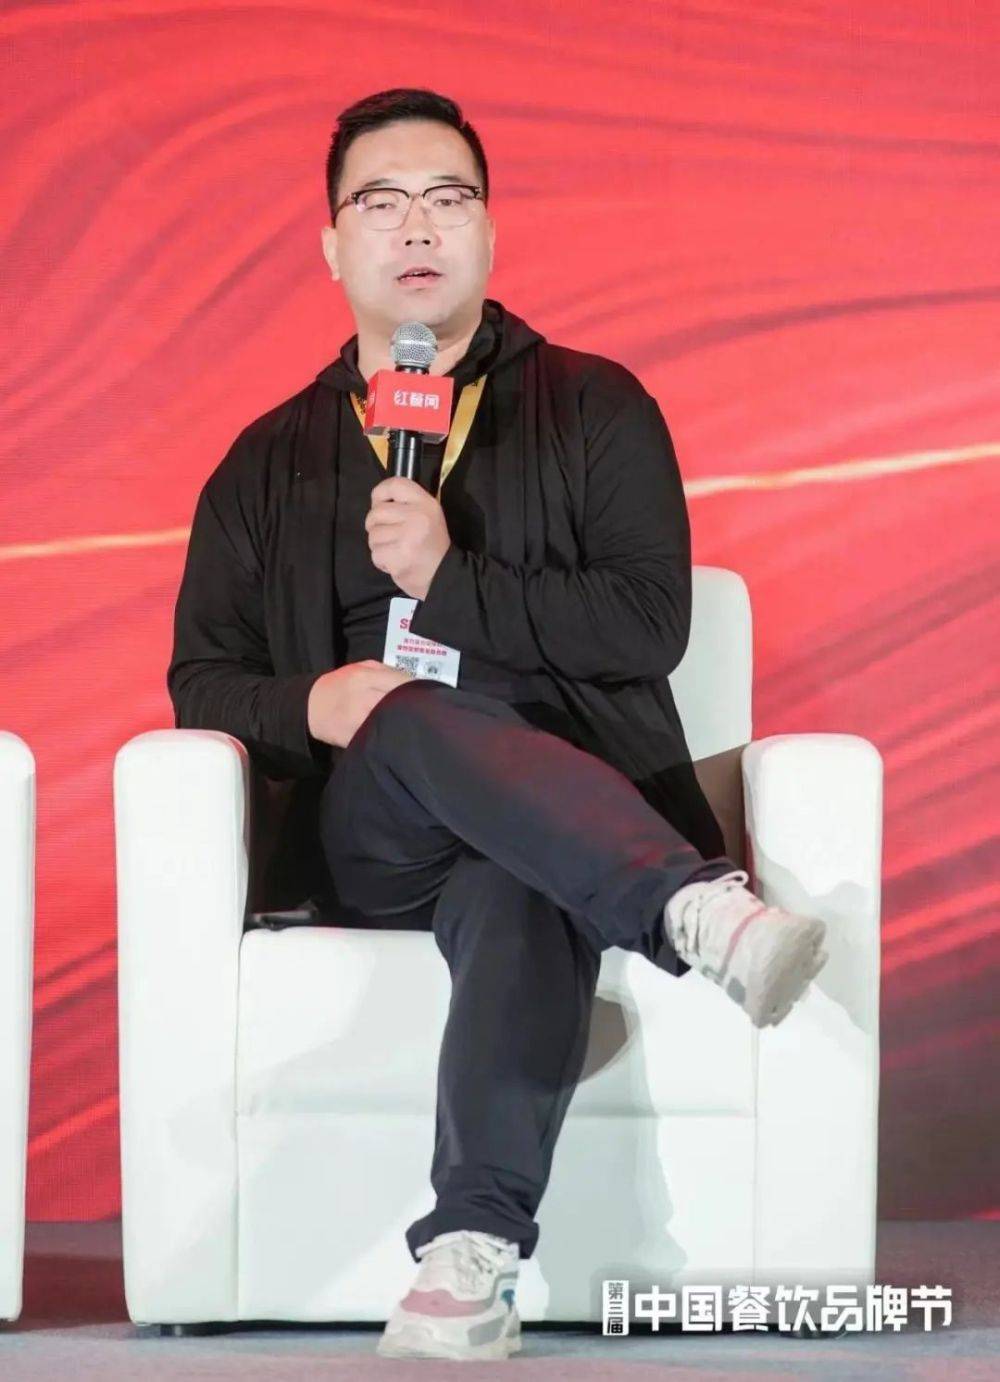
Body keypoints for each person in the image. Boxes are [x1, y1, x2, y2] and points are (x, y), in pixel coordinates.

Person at [167, 87, 829, 1363]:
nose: (417, 225)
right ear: (333, 244)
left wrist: (448, 579)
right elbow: (202, 679)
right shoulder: (264, 461)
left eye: (449, 198)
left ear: (488, 229)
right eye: (381, 202)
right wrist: (314, 700)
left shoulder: (595, 404)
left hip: (568, 813)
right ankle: (693, 908)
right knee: (405, 712)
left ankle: (467, 1251)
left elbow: (649, 624)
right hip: (377, 830)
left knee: (518, 882)